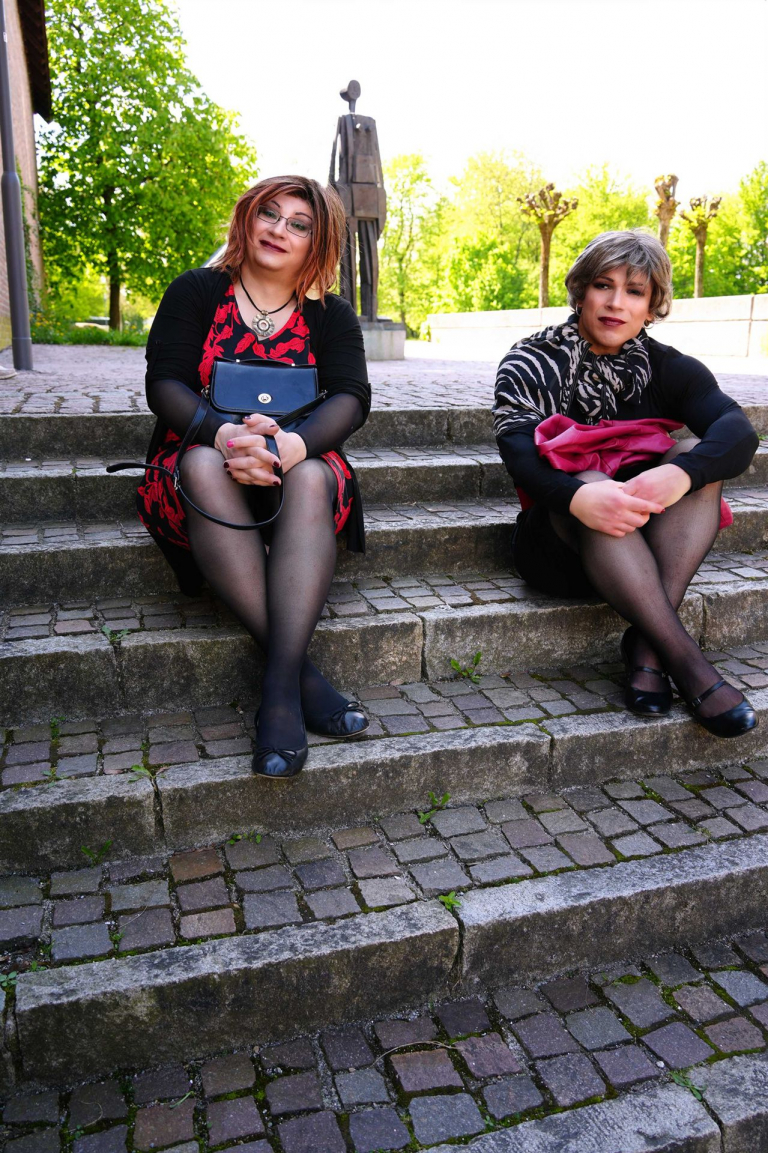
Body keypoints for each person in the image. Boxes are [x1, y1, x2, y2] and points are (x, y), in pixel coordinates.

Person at [137, 175, 371, 778]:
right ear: (247, 217)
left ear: (318, 243)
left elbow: (351, 399)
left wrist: (290, 447)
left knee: (314, 477)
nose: (279, 229)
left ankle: (278, 691)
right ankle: (296, 683)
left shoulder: (331, 314)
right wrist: (225, 436)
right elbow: (164, 384)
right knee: (200, 466)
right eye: (270, 213)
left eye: (300, 224)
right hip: (201, 449)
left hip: (298, 459)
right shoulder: (196, 290)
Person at [493, 230, 759, 738]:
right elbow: (520, 457)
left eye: (635, 291)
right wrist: (579, 496)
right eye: (603, 285)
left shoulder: (667, 367)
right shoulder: (532, 360)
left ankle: (646, 647)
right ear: (580, 292)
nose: (616, 303)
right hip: (557, 544)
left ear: (651, 307)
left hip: (647, 548)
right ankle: (686, 662)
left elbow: (738, 433)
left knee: (693, 456)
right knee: (592, 477)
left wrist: (680, 474)